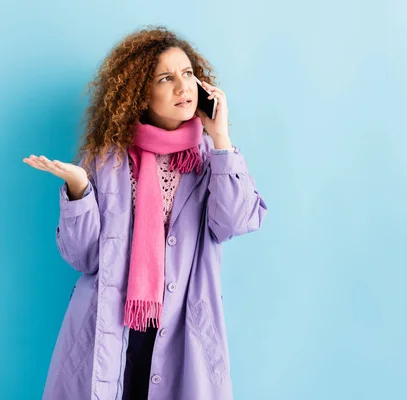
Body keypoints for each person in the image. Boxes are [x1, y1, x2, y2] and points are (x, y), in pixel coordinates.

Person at [23, 25, 267, 400]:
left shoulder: (210, 158)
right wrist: (79, 190)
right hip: (111, 325)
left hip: (182, 326)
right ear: (140, 92)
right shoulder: (107, 159)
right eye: (166, 78)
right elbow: (85, 258)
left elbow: (236, 221)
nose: (183, 87)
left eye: (187, 74)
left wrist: (221, 139)